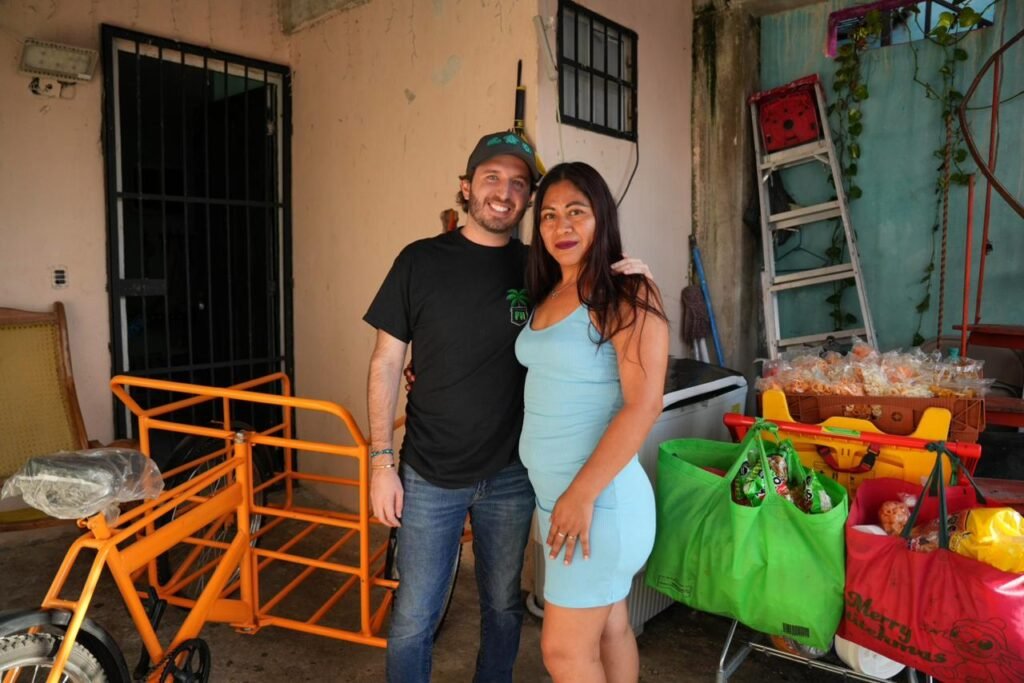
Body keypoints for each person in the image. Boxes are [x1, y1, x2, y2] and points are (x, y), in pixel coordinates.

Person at [364, 132, 649, 683]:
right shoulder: (419, 261)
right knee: (414, 616)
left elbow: (596, 300)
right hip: (430, 472)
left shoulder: (542, 269)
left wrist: (633, 278)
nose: (504, 192)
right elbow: (386, 361)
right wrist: (381, 461)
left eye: (519, 183)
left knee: (502, 607)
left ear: (528, 200)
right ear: (466, 186)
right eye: (491, 177)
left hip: (513, 476)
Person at [515, 161, 669, 683]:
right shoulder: (552, 291)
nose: (561, 226)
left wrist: (580, 496)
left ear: (601, 216)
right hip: (566, 501)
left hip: (598, 501)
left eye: (576, 212)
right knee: (609, 629)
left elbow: (644, 405)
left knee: (563, 652)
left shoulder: (626, 292)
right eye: (549, 215)